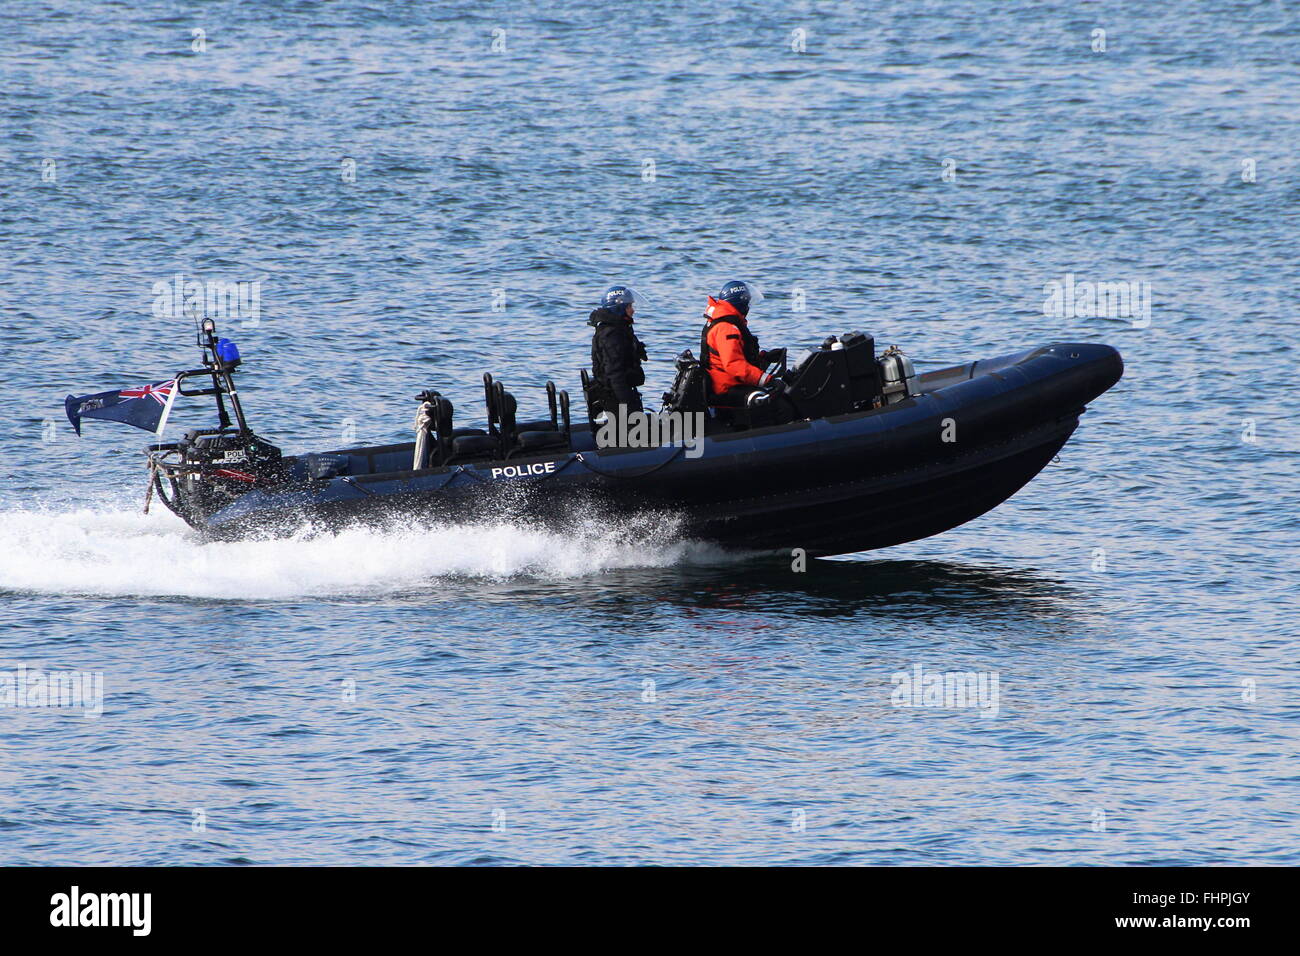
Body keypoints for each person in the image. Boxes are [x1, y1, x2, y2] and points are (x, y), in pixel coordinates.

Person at [699, 280, 788, 421]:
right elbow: (734, 365)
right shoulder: (726, 328)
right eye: (747, 303)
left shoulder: (724, 323)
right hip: (726, 390)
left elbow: (736, 357)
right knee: (781, 407)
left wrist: (765, 358)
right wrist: (768, 381)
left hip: (728, 385)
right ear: (741, 303)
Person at [588, 284, 648, 415]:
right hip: (616, 397)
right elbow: (615, 374)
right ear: (619, 308)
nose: (633, 310)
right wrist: (628, 405)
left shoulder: (620, 329)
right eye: (629, 306)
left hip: (620, 393)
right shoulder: (613, 335)